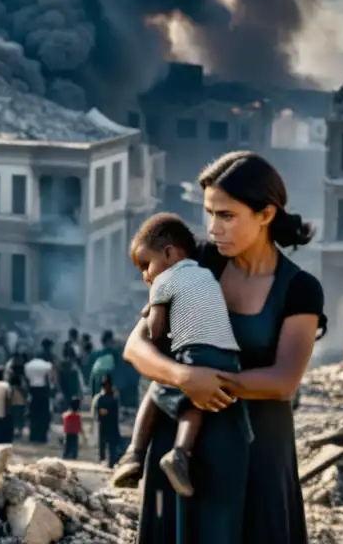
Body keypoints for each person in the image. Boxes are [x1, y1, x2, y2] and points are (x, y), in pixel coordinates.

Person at [124, 150, 325, 543]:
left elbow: (284, 382)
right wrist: (184, 376)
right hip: (178, 454)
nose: (214, 228)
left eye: (226, 216)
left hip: (256, 453)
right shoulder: (195, 261)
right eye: (209, 213)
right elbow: (136, 345)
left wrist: (210, 382)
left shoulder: (300, 289)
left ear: (265, 214)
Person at [111, 213, 248, 497]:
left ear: (169, 253)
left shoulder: (165, 280)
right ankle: (181, 453)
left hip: (194, 351)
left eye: (146, 265)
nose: (145, 275)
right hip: (228, 357)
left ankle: (134, 453)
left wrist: (152, 308)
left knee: (158, 389)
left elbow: (155, 331)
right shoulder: (206, 273)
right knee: (196, 404)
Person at [92, 374, 122, 468]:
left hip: (109, 423)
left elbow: (102, 412)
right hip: (106, 423)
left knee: (110, 444)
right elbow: (100, 412)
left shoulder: (109, 398)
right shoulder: (106, 398)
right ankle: (106, 460)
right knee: (105, 443)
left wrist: (105, 413)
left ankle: (111, 461)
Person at [25, 350, 55, 444]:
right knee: (43, 415)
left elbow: (27, 379)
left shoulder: (28, 365)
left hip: (33, 390)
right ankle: (42, 437)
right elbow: (50, 379)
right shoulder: (47, 365)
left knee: (33, 415)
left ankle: (33, 436)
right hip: (43, 391)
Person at [5, 352, 29, 440]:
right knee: (19, 415)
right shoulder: (17, 369)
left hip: (13, 396)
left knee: (14, 414)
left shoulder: (10, 366)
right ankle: (18, 430)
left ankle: (15, 430)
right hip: (19, 396)